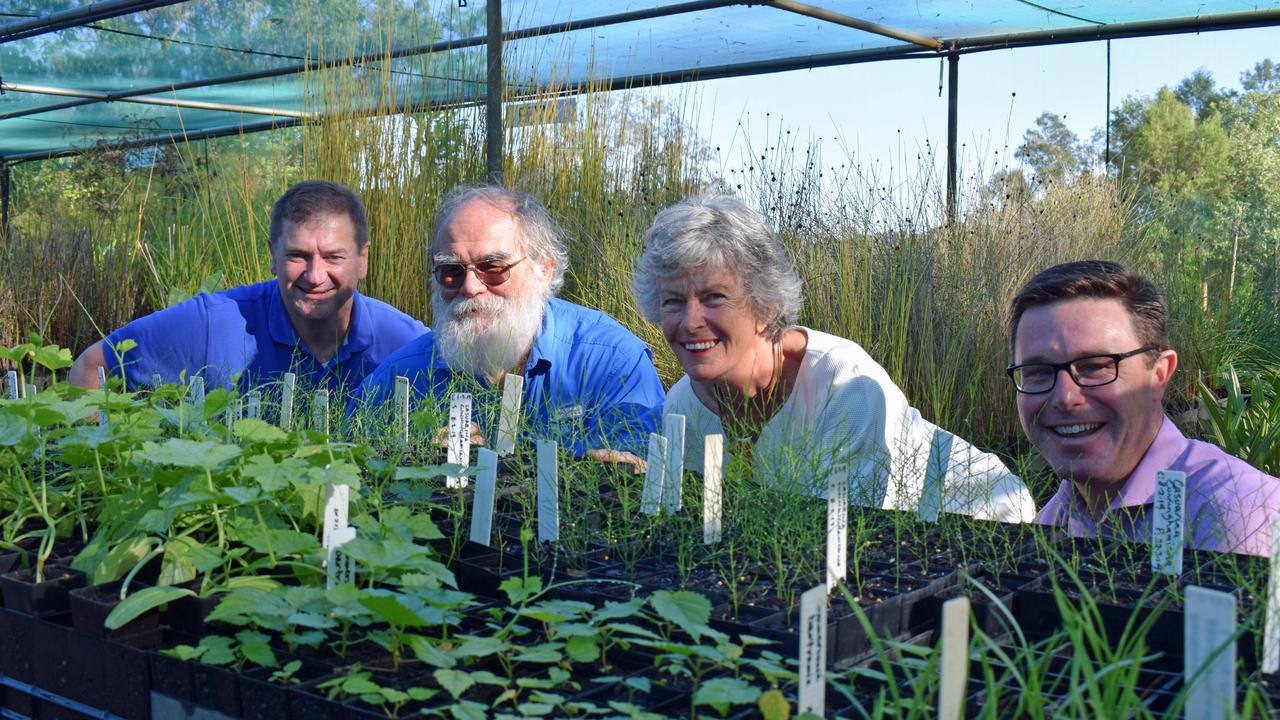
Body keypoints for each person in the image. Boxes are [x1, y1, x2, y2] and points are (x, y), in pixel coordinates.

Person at [631, 195, 1034, 522]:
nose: (690, 321)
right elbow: (709, 523)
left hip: (978, 523)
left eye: (714, 297)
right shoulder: (683, 404)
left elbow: (856, 534)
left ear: (765, 306)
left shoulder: (845, 386)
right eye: (673, 301)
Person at [353, 185, 664, 463]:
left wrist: (510, 467)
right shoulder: (404, 374)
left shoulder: (611, 364)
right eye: (451, 270)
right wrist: (411, 461)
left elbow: (638, 488)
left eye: (493, 267)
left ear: (544, 269)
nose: (471, 287)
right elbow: (343, 468)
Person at [1009, 260, 1280, 555]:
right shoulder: (1058, 517)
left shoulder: (1241, 516)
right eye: (1037, 371)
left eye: (1096, 366)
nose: (1065, 397)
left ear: (1160, 374)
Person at [68, 180, 426, 395]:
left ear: (362, 259)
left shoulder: (404, 341)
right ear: (272, 256)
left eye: (333, 257)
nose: (314, 276)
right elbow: (92, 367)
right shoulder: (214, 324)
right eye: (298, 256)